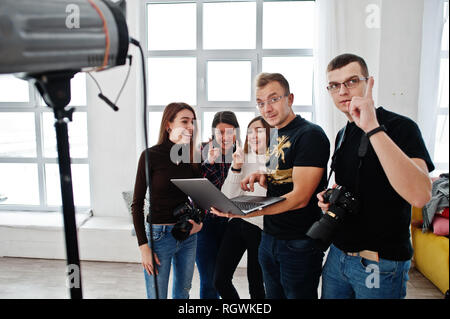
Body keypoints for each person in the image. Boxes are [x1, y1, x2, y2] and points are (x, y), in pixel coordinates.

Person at [318, 53, 434, 299]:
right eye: (334, 85)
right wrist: (331, 198)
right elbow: (356, 185)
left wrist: (372, 127)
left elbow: (420, 195)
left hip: (378, 263)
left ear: (368, 82)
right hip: (338, 255)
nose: (343, 91)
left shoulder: (402, 128)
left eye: (351, 81)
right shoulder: (342, 134)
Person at [211, 73, 330, 299]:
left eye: (274, 99)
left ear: (290, 98)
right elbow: (282, 176)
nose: (267, 108)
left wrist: (244, 212)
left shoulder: (310, 135)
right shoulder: (277, 137)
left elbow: (300, 197)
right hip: (270, 238)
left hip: (298, 242)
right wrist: (261, 174)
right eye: (261, 102)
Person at [131, 102, 203, 299]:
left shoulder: (192, 156)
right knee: (157, 295)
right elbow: (137, 204)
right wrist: (144, 247)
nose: (190, 126)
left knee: (183, 293)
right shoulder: (150, 156)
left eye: (193, 122)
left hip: (187, 234)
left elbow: (202, 197)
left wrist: (199, 223)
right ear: (168, 125)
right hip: (159, 235)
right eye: (184, 121)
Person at [214, 116, 271, 299]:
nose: (253, 135)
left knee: (256, 285)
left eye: (259, 131)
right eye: (250, 131)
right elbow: (227, 197)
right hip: (237, 223)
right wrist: (237, 167)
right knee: (220, 280)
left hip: (260, 228)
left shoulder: (277, 159)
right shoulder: (242, 157)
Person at [197, 111, 241, 299]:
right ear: (213, 133)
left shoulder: (243, 153)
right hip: (206, 223)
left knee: (221, 279)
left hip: (232, 224)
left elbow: (237, 190)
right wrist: (209, 162)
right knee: (208, 280)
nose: (224, 137)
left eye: (229, 132)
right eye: (219, 132)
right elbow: (201, 189)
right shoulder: (203, 151)